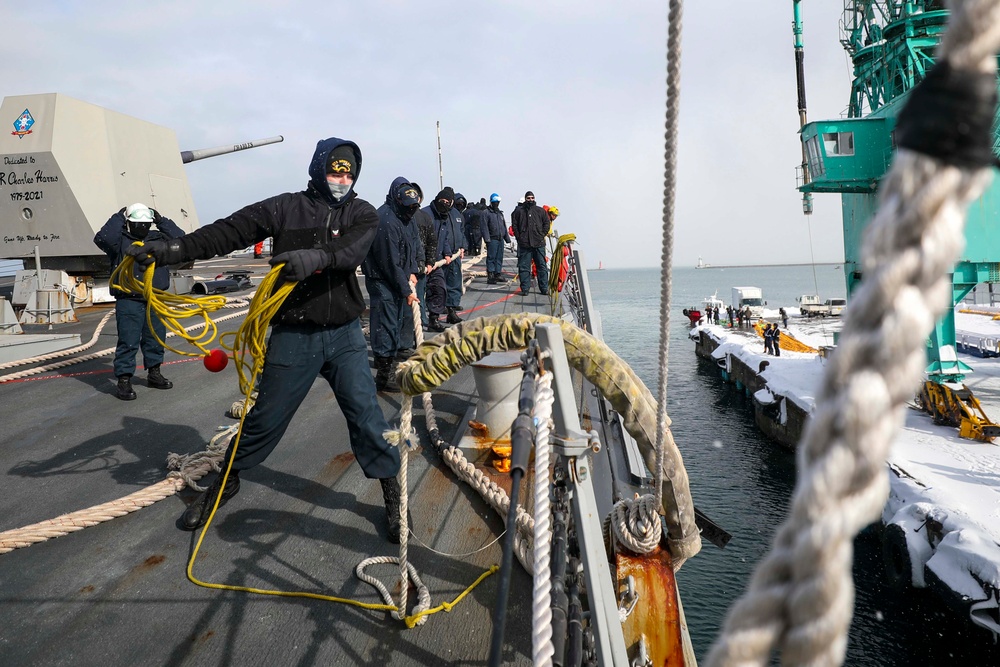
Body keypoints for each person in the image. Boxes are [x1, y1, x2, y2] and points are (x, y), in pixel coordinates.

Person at [126, 137, 403, 542]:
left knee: (368, 418)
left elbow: (350, 250)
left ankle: (392, 493)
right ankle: (227, 481)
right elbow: (230, 231)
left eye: (348, 172)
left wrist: (318, 258)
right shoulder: (284, 207)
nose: (341, 178)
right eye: (334, 169)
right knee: (264, 420)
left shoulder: (362, 213)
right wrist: (174, 248)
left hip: (344, 336)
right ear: (318, 167)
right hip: (294, 334)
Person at [94, 203, 185, 401]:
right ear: (129, 223)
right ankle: (124, 380)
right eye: (138, 223)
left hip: (155, 296)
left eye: (146, 223)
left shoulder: (159, 239)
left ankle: (154, 372)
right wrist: (119, 216)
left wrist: (162, 222)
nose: (142, 227)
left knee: (155, 336)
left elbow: (181, 239)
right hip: (129, 299)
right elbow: (103, 238)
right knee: (128, 340)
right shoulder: (120, 242)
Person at [361, 177, 420, 392]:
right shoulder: (386, 221)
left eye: (415, 207)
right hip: (382, 279)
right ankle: (385, 377)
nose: (412, 211)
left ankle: (388, 362)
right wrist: (406, 289)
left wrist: (413, 270)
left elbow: (412, 246)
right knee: (385, 324)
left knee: (394, 321)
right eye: (409, 207)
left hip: (398, 277)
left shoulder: (406, 217)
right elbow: (389, 263)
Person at [422, 187, 456, 332]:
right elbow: (420, 240)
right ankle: (417, 327)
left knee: (440, 289)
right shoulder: (425, 214)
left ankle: (433, 319)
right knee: (418, 294)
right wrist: (426, 261)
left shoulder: (444, 216)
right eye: (442, 201)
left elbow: (445, 237)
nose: (445, 204)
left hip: (436, 262)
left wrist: (447, 253)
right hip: (422, 262)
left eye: (448, 202)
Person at [511, 190, 550, 295]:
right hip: (525, 244)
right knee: (524, 267)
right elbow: (514, 225)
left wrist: (542, 234)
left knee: (541, 266)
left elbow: (547, 223)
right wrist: (519, 238)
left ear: (534, 198)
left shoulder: (540, 211)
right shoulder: (519, 212)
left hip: (539, 243)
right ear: (525, 199)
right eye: (528, 198)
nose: (530, 200)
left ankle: (544, 288)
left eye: (532, 198)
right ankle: (525, 289)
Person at [444, 192, 467, 324]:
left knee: (455, 283)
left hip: (456, 254)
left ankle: (452, 308)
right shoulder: (443, 214)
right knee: (442, 285)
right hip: (444, 256)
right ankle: (442, 309)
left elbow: (462, 232)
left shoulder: (458, 215)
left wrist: (463, 247)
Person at [482, 193, 510, 284]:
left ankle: (498, 273)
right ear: (491, 202)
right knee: (491, 257)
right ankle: (491, 275)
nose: (496, 204)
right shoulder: (486, 213)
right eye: (495, 202)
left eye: (497, 202)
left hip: (500, 239)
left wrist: (507, 238)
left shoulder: (499, 213)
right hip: (492, 239)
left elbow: (503, 226)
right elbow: (484, 227)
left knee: (499, 257)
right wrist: (487, 239)